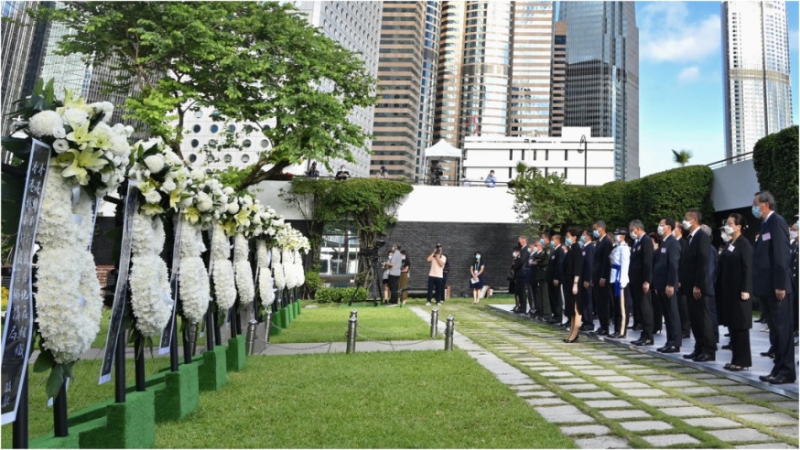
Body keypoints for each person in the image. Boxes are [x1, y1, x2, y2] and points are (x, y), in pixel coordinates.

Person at [752, 191, 795, 384]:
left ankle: (787, 371)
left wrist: (780, 284)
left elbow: (781, 256)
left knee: (782, 329)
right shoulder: (765, 224)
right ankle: (778, 368)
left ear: (765, 204)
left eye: (755, 203)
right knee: (775, 331)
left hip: (777, 287)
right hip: (765, 287)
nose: (753, 207)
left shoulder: (776, 222)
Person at [716, 213, 753, 371]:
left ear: (738, 226)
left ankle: (742, 361)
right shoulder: (730, 243)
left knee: (740, 326)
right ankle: (735, 358)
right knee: (733, 326)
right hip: (729, 291)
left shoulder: (744, 244)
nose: (727, 226)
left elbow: (747, 268)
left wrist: (746, 288)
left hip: (739, 291)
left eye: (730, 223)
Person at [679, 208, 716, 362]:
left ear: (693, 220)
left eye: (686, 218)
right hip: (690, 286)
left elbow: (703, 263)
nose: (684, 221)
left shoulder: (702, 236)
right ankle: (699, 347)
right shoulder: (691, 238)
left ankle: (708, 350)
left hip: (698, 287)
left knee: (703, 318)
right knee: (694, 319)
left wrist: (698, 285)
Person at [653, 217, 682, 354]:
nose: (660, 227)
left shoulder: (673, 243)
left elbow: (673, 265)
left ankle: (675, 343)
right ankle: (669, 340)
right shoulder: (664, 243)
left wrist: (671, 283)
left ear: (669, 227)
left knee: (672, 314)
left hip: (668, 285)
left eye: (662, 225)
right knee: (667, 314)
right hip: (661, 284)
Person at [629, 220, 654, 346]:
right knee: (639, 308)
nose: (631, 233)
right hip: (635, 281)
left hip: (642, 281)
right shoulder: (636, 242)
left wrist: (646, 280)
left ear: (638, 229)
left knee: (645, 309)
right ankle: (643, 334)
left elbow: (647, 262)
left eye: (632, 230)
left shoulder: (646, 241)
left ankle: (648, 335)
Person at [591, 220, 613, 335]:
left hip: (602, 277)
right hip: (596, 276)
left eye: (595, 229)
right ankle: (601, 325)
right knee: (599, 303)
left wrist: (604, 277)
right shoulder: (599, 242)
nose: (594, 231)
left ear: (601, 228)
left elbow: (606, 261)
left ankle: (605, 326)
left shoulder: (607, 242)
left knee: (604, 303)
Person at [562, 227, 584, 343]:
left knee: (576, 308)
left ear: (574, 237)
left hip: (574, 282)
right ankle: (571, 332)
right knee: (571, 309)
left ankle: (575, 333)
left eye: (568, 237)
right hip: (568, 281)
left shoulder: (577, 250)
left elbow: (577, 268)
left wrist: (575, 283)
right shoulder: (571, 250)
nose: (567, 239)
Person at [609, 227, 631, 338]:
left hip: (620, 279)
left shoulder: (624, 248)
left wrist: (622, 281)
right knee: (616, 306)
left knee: (622, 307)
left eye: (618, 234)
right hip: (614, 278)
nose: (616, 236)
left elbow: (625, 265)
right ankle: (617, 329)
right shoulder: (617, 247)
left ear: (623, 236)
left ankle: (622, 331)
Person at [673, 223, 692, 339]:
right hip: (674, 279)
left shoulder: (683, 243)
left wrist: (680, 279)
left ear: (679, 230)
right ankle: (679, 327)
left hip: (681, 280)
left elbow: (683, 263)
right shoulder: (673, 242)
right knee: (676, 306)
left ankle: (685, 329)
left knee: (682, 306)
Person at [532, 233, 552, 321]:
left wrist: (538, 262)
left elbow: (546, 260)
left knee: (545, 295)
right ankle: (543, 312)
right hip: (540, 274)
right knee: (541, 295)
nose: (541, 239)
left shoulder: (549, 249)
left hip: (544, 273)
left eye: (543, 238)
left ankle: (547, 314)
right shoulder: (545, 249)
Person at [546, 234, 565, 324]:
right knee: (552, 298)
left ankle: (558, 316)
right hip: (551, 279)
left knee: (556, 298)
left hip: (555, 279)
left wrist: (557, 278)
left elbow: (559, 265)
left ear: (557, 240)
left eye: (553, 239)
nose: (552, 241)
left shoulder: (560, 251)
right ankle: (555, 314)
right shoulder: (555, 251)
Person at [579, 229, 596, 332]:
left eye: (583, 235)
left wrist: (587, 279)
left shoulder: (590, 248)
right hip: (582, 278)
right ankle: (585, 320)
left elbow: (589, 265)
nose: (582, 237)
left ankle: (589, 322)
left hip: (586, 279)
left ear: (588, 236)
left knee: (588, 301)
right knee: (584, 301)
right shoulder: (584, 248)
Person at [512, 236, 532, 313]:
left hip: (522, 272)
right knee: (519, 291)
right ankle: (520, 306)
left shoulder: (526, 250)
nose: (519, 242)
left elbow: (521, 261)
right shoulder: (521, 250)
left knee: (522, 292)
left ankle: (523, 308)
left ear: (523, 241)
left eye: (519, 241)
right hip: (519, 273)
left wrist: (515, 268)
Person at [649, 231, 663, 336]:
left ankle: (658, 326)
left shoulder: (658, 252)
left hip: (656, 282)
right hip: (651, 282)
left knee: (657, 305)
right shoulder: (651, 253)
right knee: (652, 305)